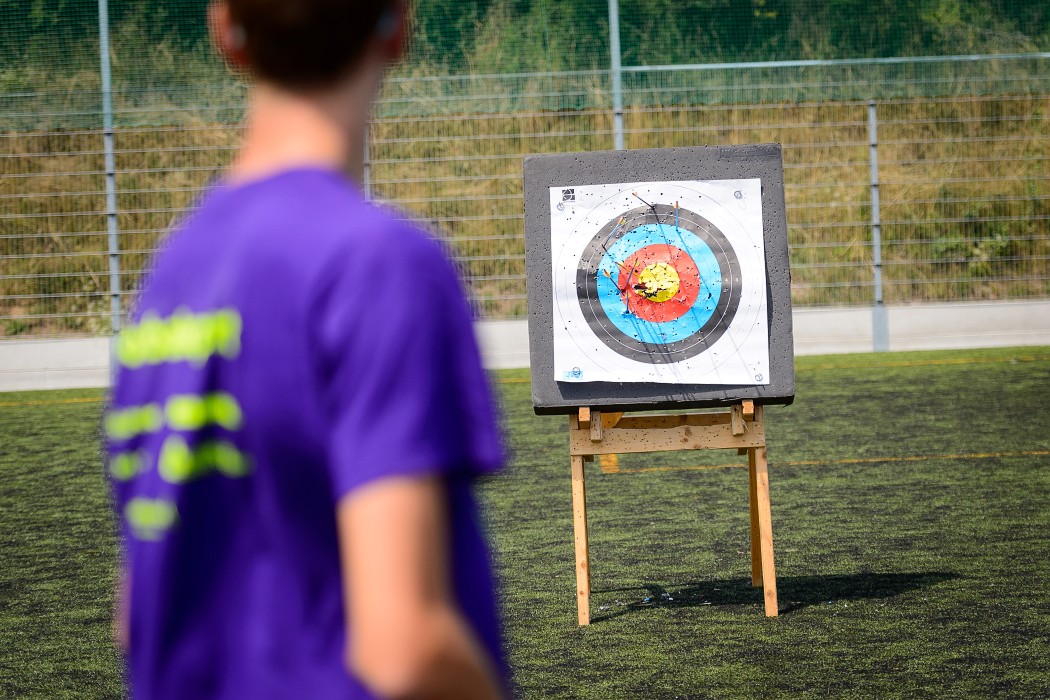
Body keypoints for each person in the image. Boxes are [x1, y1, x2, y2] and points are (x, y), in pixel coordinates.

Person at [104, 1, 507, 697]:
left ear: (224, 31)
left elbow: (138, 611)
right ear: (399, 27)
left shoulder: (173, 272)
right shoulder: (379, 264)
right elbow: (401, 647)